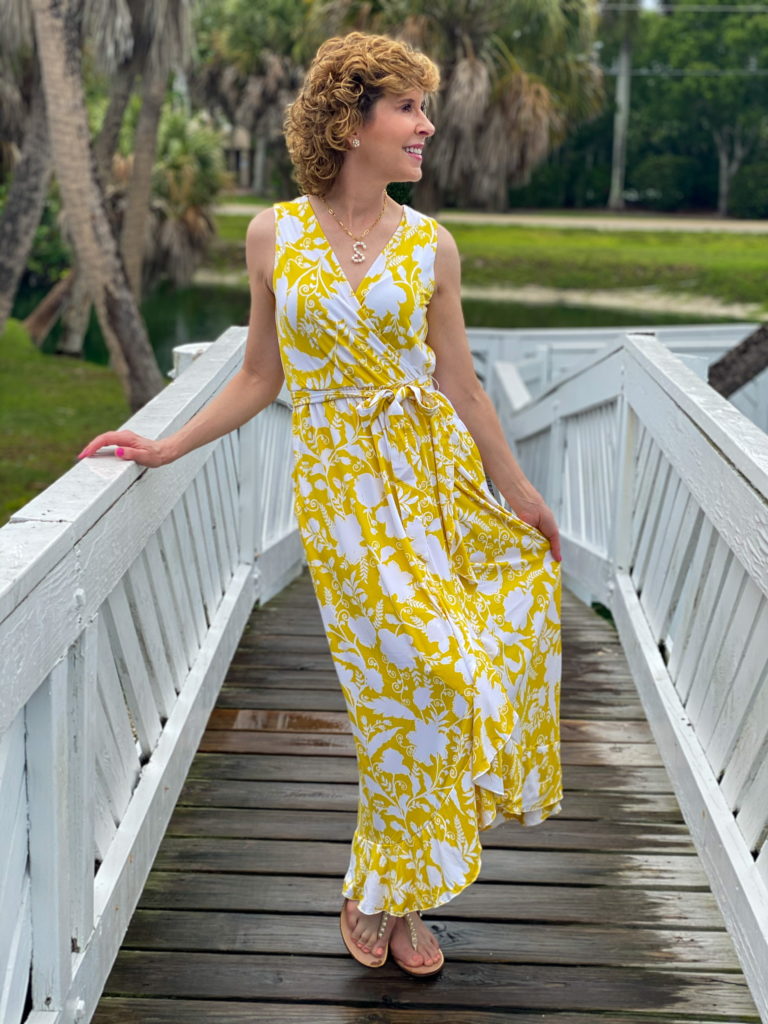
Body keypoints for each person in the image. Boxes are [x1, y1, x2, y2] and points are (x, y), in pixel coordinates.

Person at [78, 30, 563, 978]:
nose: (427, 126)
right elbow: (261, 374)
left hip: (430, 490)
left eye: (426, 108)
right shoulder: (276, 234)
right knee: (398, 688)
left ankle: (392, 890)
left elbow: (463, 388)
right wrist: (168, 445)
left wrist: (522, 491)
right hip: (339, 499)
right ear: (351, 121)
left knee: (448, 678)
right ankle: (394, 888)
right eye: (409, 108)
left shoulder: (432, 245)